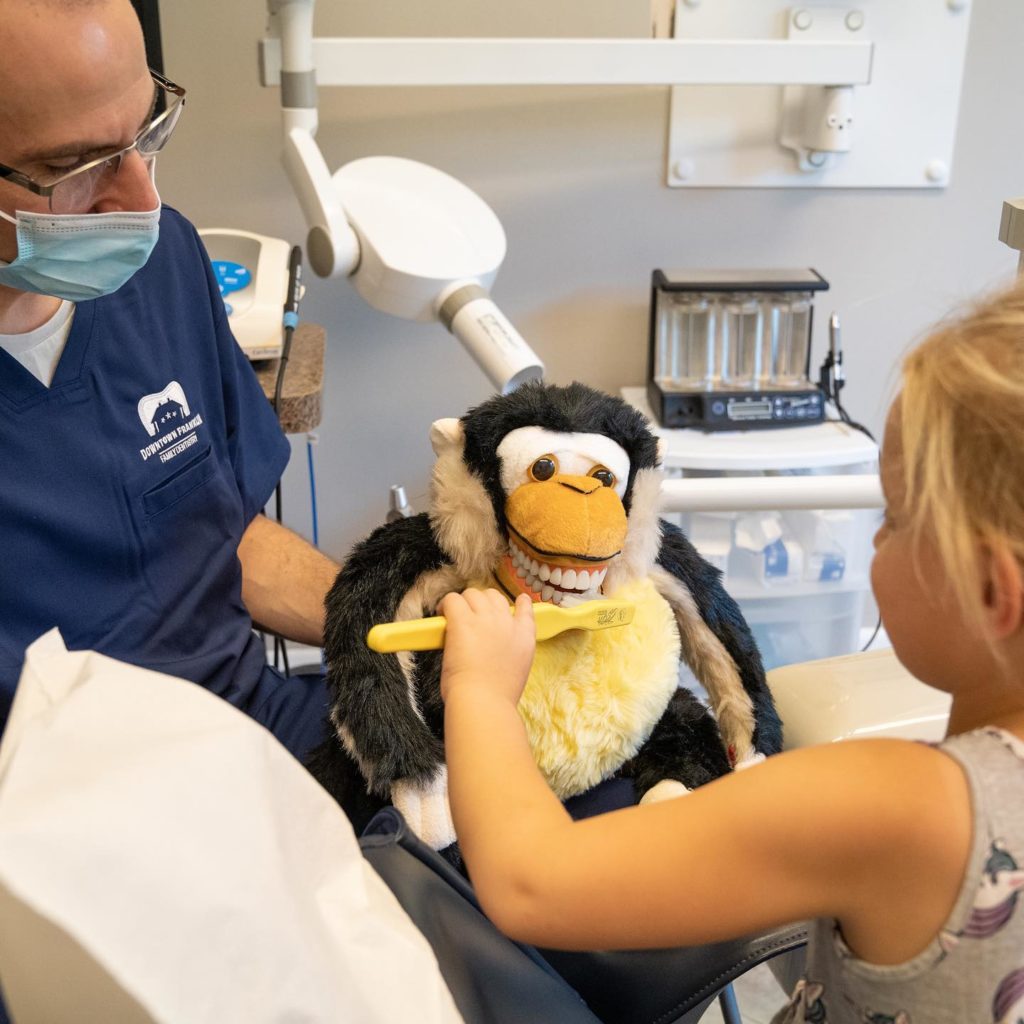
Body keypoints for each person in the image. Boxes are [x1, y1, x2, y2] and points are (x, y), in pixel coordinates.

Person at [440, 278, 1024, 1023]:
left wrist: (480, 689)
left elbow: (530, 881)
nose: (878, 535)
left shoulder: (904, 807)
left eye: (897, 517)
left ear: (990, 588)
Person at [0, 0, 339, 761]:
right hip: (50, 830)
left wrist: (393, 610)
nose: (142, 204)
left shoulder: (164, 265)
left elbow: (223, 529)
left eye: (148, 135)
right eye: (74, 168)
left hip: (251, 730)